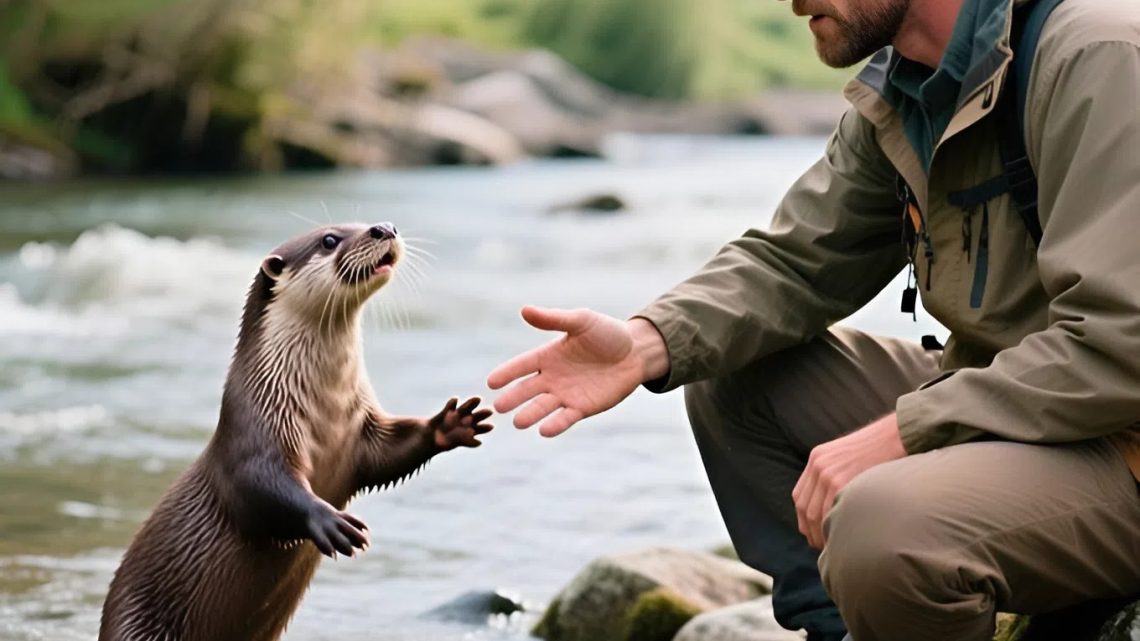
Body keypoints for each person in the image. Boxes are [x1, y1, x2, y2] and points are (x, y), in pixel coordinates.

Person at [486, 0, 1140, 638]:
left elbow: (1120, 343)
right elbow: (795, 264)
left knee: (884, 526)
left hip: (1123, 438)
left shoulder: (1100, 55)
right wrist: (645, 342)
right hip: (1023, 411)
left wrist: (904, 431)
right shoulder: (905, 90)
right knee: (733, 368)